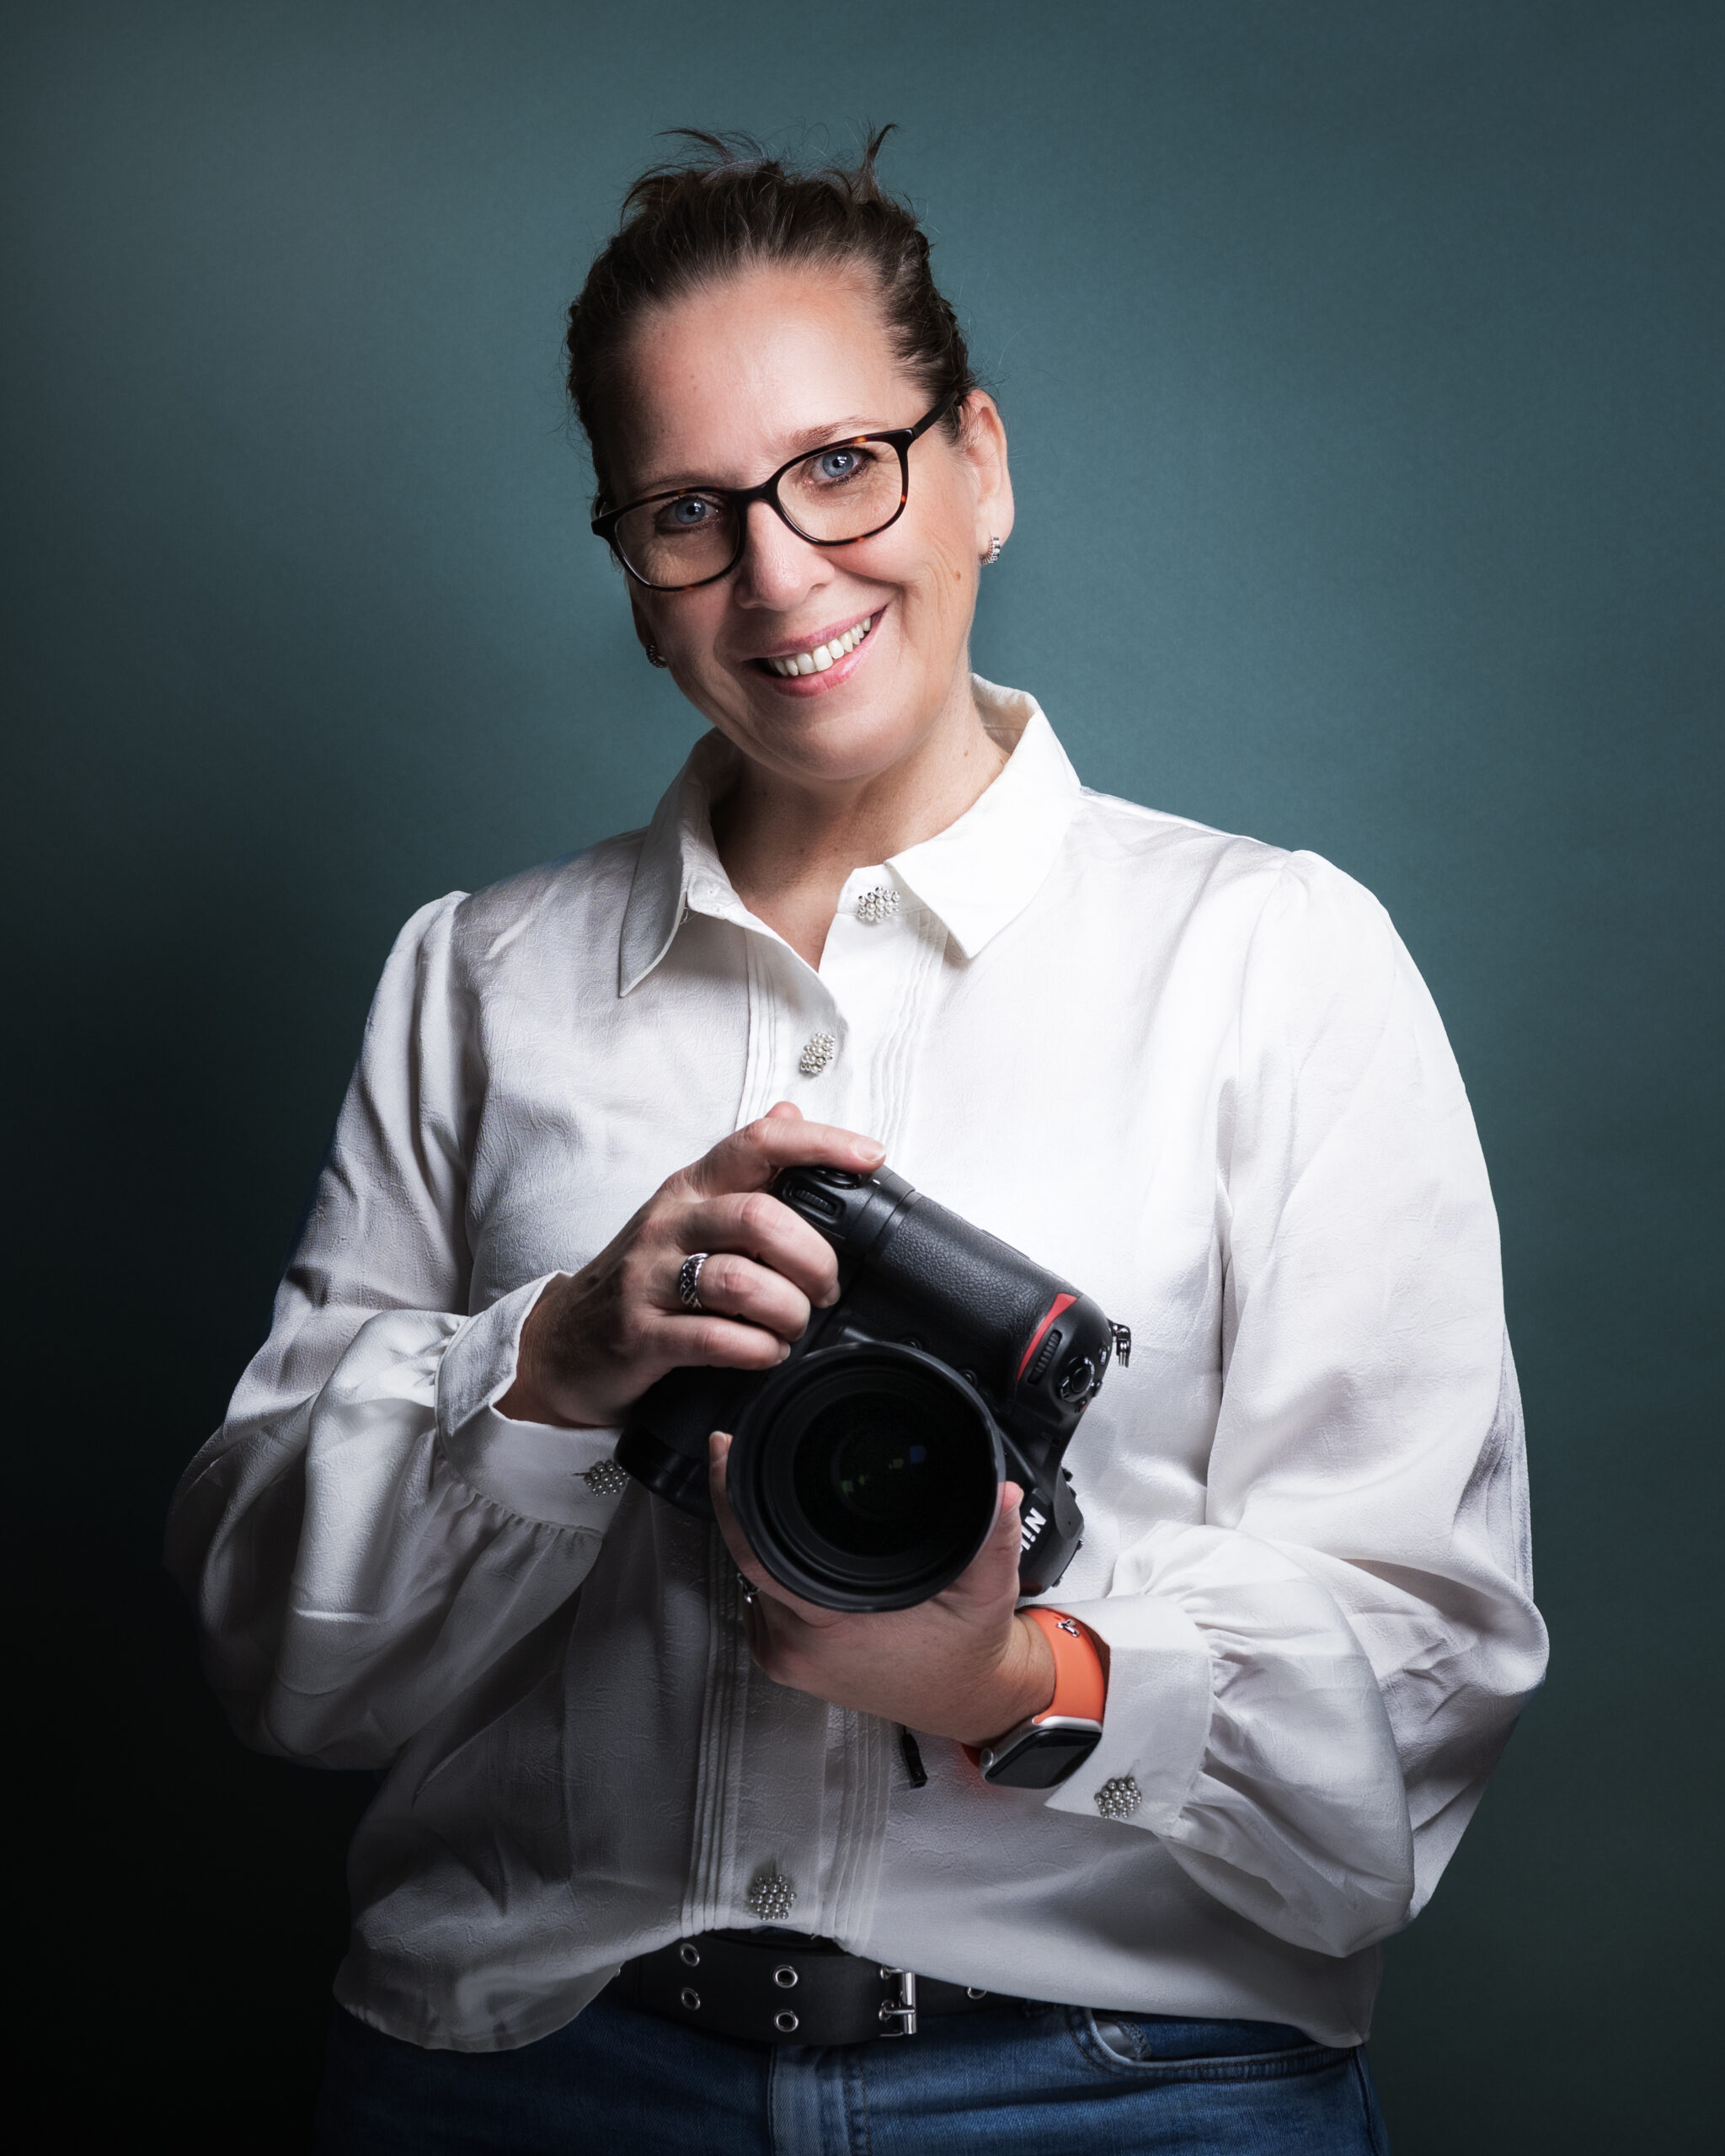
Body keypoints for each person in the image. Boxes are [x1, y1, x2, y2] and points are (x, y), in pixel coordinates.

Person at [168, 131, 1548, 2154]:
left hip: (1122, 2086)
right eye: (687, 510)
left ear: (977, 460)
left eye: (841, 464)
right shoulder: (478, 979)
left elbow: (1423, 1684)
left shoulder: (1272, 960)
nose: (780, 571)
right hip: (536, 2071)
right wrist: (553, 1360)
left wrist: (1018, 1671)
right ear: (628, 566)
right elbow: (281, 1665)